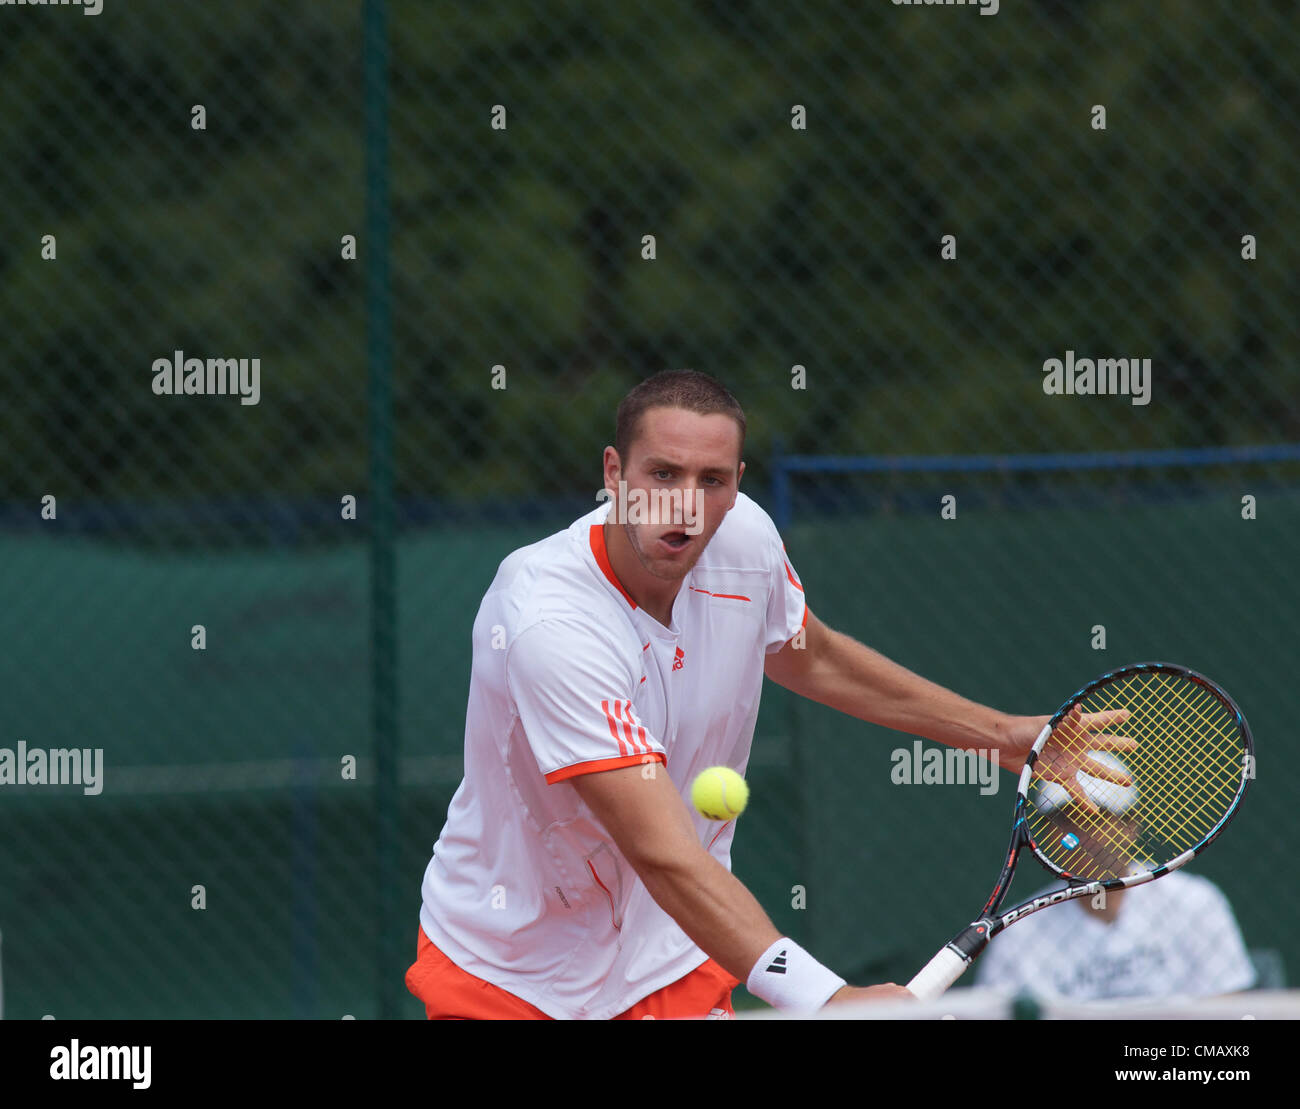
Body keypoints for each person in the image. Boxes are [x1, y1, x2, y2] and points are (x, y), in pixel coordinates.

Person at [405, 369, 1129, 1020]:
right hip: (511, 975)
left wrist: (1000, 735)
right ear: (614, 472)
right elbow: (662, 852)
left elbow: (812, 656)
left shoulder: (744, 540)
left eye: (712, 479)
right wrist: (829, 999)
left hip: (671, 954)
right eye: (662, 473)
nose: (685, 507)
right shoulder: (550, 622)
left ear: (738, 481)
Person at [975, 754, 1256, 1000]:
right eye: (1065, 820)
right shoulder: (1017, 935)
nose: (1081, 834)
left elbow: (1227, 1008)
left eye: (1096, 817)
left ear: (1130, 826)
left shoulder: (1196, 904)